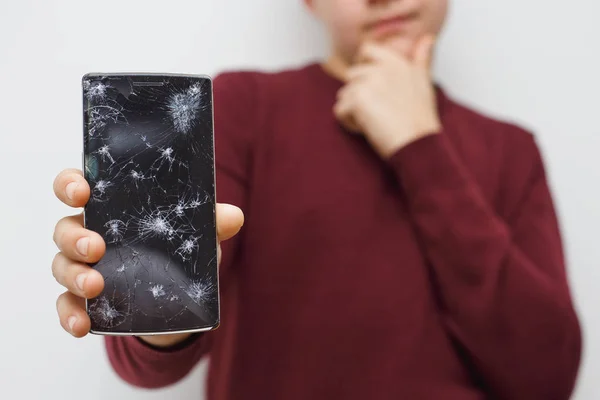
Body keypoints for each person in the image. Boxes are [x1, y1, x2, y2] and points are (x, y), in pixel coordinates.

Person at [51, 0, 583, 398]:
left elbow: (547, 376)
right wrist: (156, 306)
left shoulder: (511, 151)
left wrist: (419, 146)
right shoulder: (245, 108)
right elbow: (150, 364)